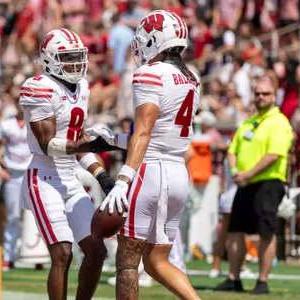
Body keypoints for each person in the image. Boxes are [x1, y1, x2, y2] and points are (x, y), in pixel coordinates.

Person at [86, 10, 200, 300]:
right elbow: (159, 136)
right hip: (176, 171)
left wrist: (124, 179)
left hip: (150, 172)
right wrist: (113, 140)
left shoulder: (149, 73)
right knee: (156, 261)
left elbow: (145, 132)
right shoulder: (190, 77)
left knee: (127, 260)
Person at [19, 28, 119, 300]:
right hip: (43, 178)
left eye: (78, 57)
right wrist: (94, 145)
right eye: (68, 57)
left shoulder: (82, 87)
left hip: (69, 179)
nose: (75, 64)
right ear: (50, 59)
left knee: (97, 251)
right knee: (62, 253)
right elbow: (48, 145)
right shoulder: (39, 86)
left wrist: (101, 175)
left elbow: (79, 139)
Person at [214, 77, 293, 294]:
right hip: (244, 183)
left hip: (268, 182)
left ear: (274, 97)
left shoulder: (279, 122)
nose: (260, 97)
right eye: (257, 93)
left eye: (265, 93)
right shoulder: (248, 122)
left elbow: (274, 155)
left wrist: (247, 174)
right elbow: (232, 150)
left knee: (265, 232)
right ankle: (233, 278)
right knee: (235, 230)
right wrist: (235, 173)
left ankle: (262, 280)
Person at [0, 100, 33, 271]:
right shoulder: (7, 125)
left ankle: (38, 254)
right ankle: (8, 256)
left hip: (32, 173)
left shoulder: (35, 123)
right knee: (13, 217)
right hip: (13, 174)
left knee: (38, 216)